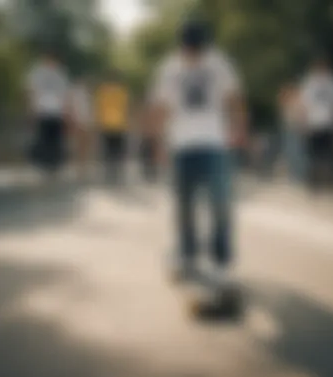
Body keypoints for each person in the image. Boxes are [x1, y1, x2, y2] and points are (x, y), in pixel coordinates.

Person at [148, 20, 247, 284]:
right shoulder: (169, 68)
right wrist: (158, 143)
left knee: (220, 204)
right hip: (181, 144)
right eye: (190, 49)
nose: (194, 55)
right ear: (182, 46)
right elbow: (161, 106)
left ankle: (220, 260)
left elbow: (234, 98)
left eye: (198, 49)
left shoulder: (219, 63)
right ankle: (187, 254)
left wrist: (239, 128)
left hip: (214, 143)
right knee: (184, 206)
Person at [300, 57, 333, 193]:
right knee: (315, 155)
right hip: (315, 123)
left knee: (331, 154)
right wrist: (304, 123)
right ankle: (315, 184)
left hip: (328, 123)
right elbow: (304, 106)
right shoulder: (310, 82)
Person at [25, 49, 71, 181]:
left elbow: (65, 94)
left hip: (57, 112)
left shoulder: (61, 74)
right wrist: (31, 109)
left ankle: (54, 166)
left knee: (55, 139)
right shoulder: (37, 73)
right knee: (43, 138)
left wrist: (66, 111)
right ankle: (43, 165)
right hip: (43, 111)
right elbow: (31, 92)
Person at [95, 70, 131, 184]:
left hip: (107, 124)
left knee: (108, 149)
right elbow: (127, 107)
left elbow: (98, 107)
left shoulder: (103, 91)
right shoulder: (122, 91)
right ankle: (116, 171)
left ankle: (110, 171)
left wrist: (98, 122)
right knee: (117, 149)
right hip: (119, 124)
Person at [278, 81, 306, 184]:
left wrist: (302, 126)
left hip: (296, 129)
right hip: (289, 129)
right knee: (291, 152)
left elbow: (301, 115)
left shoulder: (298, 100)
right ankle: (293, 175)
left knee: (297, 153)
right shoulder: (287, 101)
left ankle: (298, 175)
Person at [70, 75, 94, 181]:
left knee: (85, 145)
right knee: (79, 144)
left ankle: (84, 165)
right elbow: (74, 108)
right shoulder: (76, 93)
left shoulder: (89, 94)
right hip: (79, 121)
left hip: (87, 121)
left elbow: (91, 108)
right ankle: (78, 166)